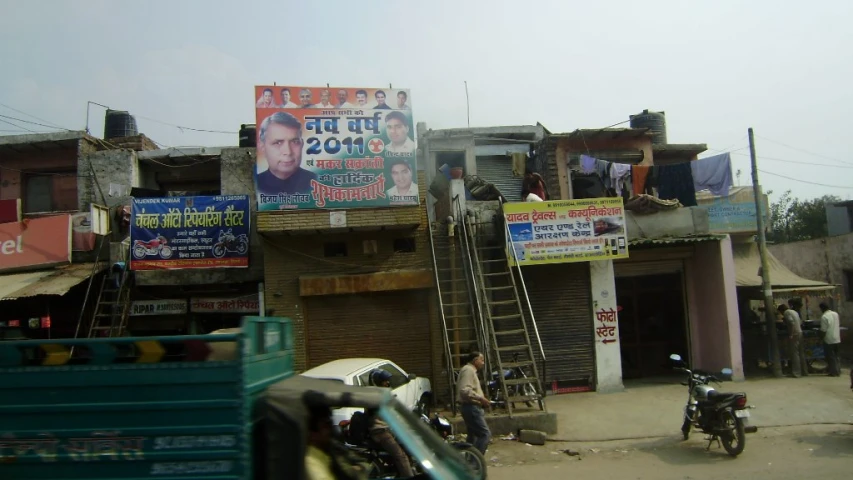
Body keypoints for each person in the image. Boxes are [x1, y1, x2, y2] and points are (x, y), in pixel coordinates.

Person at [256, 111, 317, 195]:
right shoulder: (255, 185)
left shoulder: (317, 182)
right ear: (262, 146)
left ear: (302, 144)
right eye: (278, 143)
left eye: (295, 142)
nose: (288, 152)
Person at [367, 369, 414, 477]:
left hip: (387, 429)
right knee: (401, 456)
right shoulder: (374, 396)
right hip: (380, 432)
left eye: (387, 380)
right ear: (378, 382)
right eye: (384, 381)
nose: (387, 383)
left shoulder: (382, 394)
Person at [304, 404, 368, 480]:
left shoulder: (332, 447)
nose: (330, 430)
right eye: (325, 426)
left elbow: (360, 461)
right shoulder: (312, 464)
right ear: (312, 434)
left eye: (330, 423)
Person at [456, 351, 491, 454]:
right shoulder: (468, 370)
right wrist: (481, 398)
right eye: (482, 360)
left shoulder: (470, 371)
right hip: (471, 407)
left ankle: (468, 460)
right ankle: (475, 461)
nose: (483, 363)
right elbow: (464, 391)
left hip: (472, 407)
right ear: (475, 360)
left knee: (473, 437)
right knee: (485, 434)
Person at [778, 304, 807, 378]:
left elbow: (791, 322)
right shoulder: (794, 312)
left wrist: (791, 334)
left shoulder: (786, 313)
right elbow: (799, 322)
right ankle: (804, 371)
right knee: (801, 353)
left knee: (795, 354)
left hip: (794, 334)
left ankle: (796, 373)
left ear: (781, 310)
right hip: (800, 332)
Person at [818, 303, 841, 377]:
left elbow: (823, 330)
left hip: (829, 339)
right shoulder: (835, 314)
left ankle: (833, 372)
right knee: (836, 356)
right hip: (837, 338)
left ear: (822, 309)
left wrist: (820, 339)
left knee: (830, 357)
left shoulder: (824, 316)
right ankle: (838, 370)